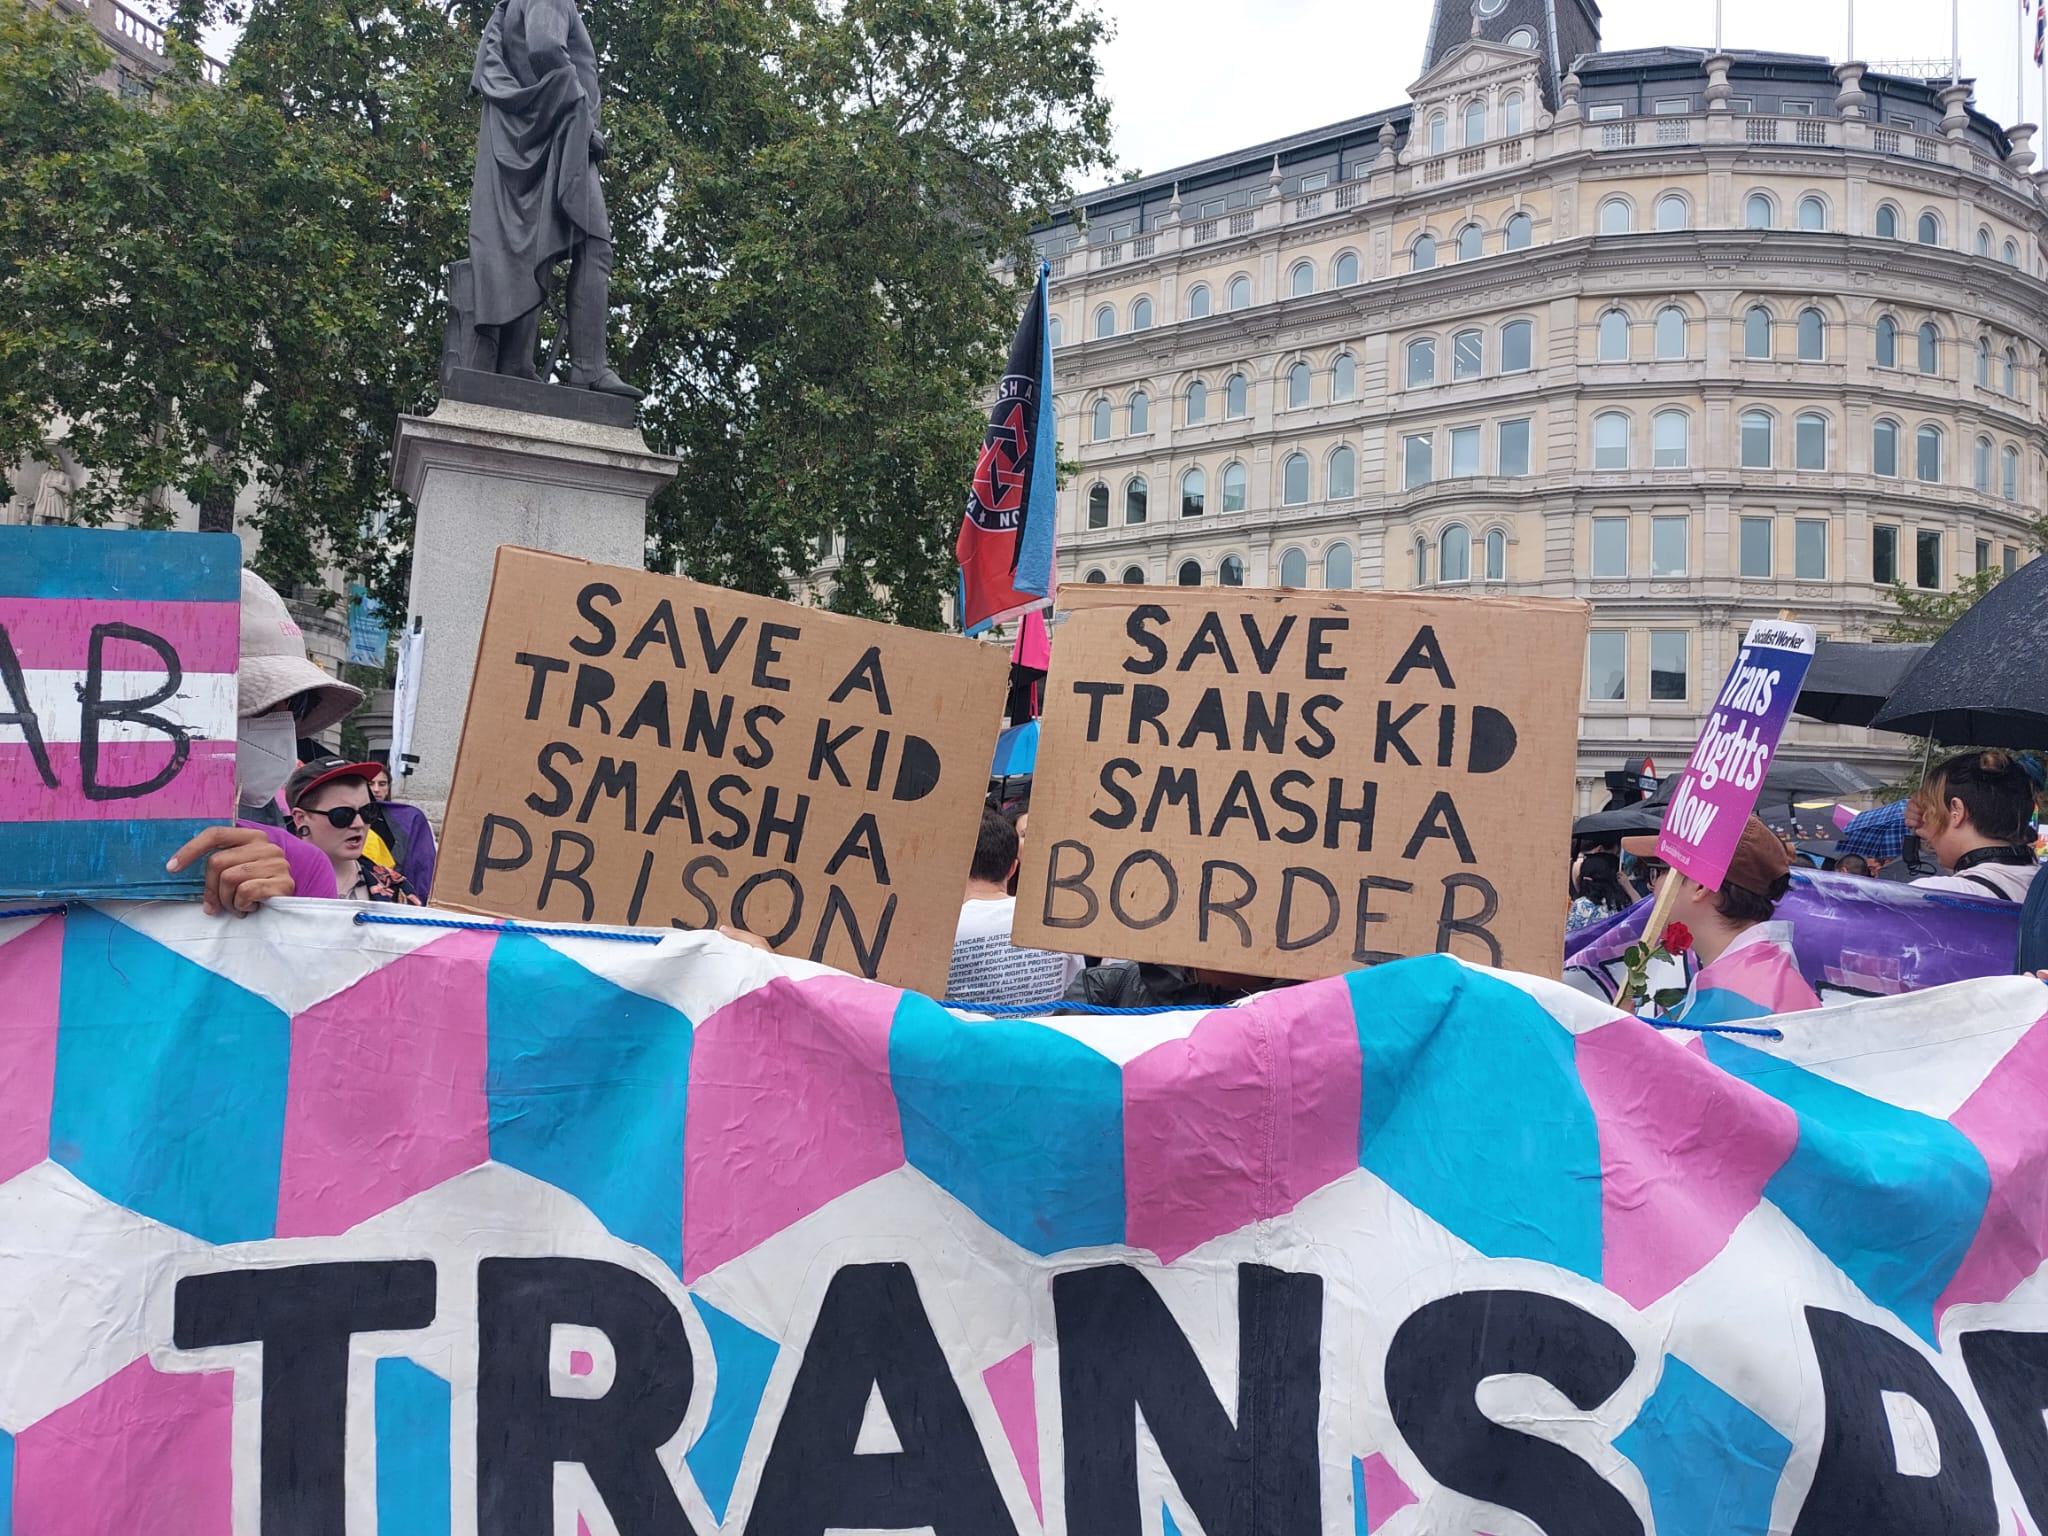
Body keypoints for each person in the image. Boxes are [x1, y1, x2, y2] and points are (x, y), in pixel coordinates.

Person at [166, 571, 364, 914]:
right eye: (258, 706)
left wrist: (281, 914)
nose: (280, 725)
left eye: (296, 704)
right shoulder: (57, 841)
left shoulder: (302, 865)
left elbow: (319, 965)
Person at [1621, 816, 1821, 1026]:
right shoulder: (1755, 979)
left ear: (1700, 886)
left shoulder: (1747, 999)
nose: (1653, 887)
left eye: (1660, 872)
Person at [945, 809, 1083, 1004]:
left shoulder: (938, 931)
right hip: (1042, 1033)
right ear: (1012, 868)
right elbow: (1076, 990)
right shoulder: (1057, 921)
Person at [1906, 750, 2042, 902]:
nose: (1926, 821)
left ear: (1956, 810)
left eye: (1931, 811)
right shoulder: (2039, 886)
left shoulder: (1932, 894)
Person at [287, 758, 424, 905]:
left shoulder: (396, 888)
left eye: (368, 811)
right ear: (301, 818)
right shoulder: (270, 881)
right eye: (342, 815)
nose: (359, 824)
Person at [366, 756, 439, 899]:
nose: (376, 789)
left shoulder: (409, 818)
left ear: (388, 788)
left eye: (382, 784)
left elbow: (422, 863)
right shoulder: (349, 818)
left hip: (397, 894)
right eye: (370, 783)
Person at [1567, 850, 1634, 931]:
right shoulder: (1621, 903)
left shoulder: (1580, 904)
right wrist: (1628, 886)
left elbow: (1568, 934)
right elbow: (1643, 911)